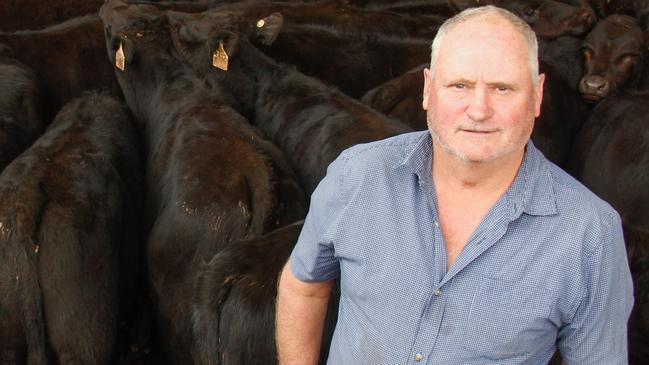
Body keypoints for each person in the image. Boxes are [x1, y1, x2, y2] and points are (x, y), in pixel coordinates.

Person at [275, 5, 634, 364]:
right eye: (460, 85)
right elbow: (302, 286)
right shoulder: (357, 175)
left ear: (538, 95)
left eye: (502, 88)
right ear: (429, 89)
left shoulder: (590, 234)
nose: (479, 109)